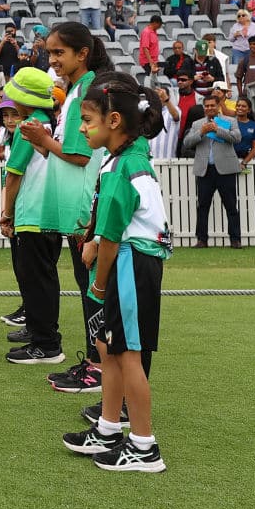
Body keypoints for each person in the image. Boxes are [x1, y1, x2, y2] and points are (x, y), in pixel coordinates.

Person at [62, 72, 169, 473]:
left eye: (86, 119)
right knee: (110, 349)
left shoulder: (121, 166)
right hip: (132, 261)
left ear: (113, 121)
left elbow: (109, 238)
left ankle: (144, 446)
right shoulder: (128, 155)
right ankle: (108, 428)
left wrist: (100, 283)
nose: (81, 127)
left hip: (130, 263)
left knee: (128, 355)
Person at [17, 22, 110, 390]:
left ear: (82, 53)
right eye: (50, 52)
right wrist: (41, 141)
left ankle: (97, 366)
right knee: (87, 284)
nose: (52, 60)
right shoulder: (76, 89)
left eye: (59, 53)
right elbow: (66, 149)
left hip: (82, 205)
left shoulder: (87, 88)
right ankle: (93, 362)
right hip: (77, 203)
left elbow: (79, 154)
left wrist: (43, 139)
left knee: (92, 287)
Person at [0, 67, 64, 365]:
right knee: (46, 279)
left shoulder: (30, 127)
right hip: (53, 213)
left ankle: (46, 344)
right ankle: (45, 339)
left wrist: (6, 213)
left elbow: (13, 175)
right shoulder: (52, 124)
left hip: (31, 214)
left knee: (35, 281)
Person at [183, 95, 242, 248]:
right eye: (207, 106)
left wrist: (218, 130)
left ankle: (235, 240)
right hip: (205, 170)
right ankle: (202, 240)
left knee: (230, 205)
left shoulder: (230, 121)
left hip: (226, 170)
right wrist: (201, 132)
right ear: (204, 108)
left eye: (212, 105)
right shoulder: (197, 124)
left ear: (218, 106)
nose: (209, 108)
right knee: (203, 206)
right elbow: (187, 143)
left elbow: (237, 138)